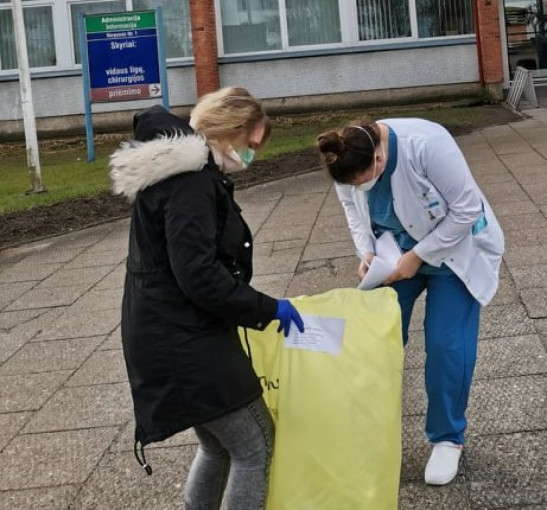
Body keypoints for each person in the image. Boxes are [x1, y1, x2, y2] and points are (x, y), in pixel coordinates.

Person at [109, 87, 304, 510]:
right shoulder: (191, 181)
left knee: (219, 447)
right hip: (184, 340)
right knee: (256, 445)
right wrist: (268, 309)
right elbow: (197, 274)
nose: (252, 157)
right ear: (229, 131)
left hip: (170, 332)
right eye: (250, 146)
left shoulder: (184, 174)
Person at [317, 118, 504, 486]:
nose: (360, 188)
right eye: (352, 184)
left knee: (446, 344)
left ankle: (447, 436)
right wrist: (367, 253)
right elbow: (354, 214)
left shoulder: (428, 144)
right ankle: (367, 430)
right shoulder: (344, 160)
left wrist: (418, 256)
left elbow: (466, 209)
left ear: (379, 154)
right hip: (392, 256)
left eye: (365, 179)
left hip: (452, 254)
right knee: (371, 342)